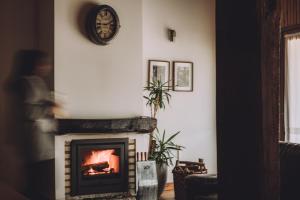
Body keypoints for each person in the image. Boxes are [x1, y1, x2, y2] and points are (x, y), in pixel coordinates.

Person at [6, 50, 57, 200]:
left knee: (39, 184)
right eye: (44, 63)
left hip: (44, 142)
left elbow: (39, 104)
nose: (48, 66)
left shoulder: (37, 81)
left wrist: (51, 103)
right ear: (34, 65)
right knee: (39, 186)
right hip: (36, 143)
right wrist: (49, 108)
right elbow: (28, 112)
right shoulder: (25, 83)